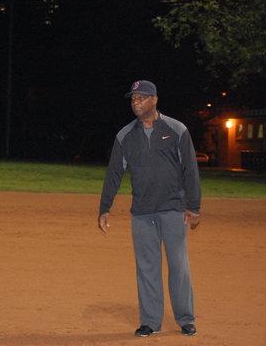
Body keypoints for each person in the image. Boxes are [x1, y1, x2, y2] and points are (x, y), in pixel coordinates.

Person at [98, 80, 201, 338]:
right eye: (133, 99)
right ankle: (150, 322)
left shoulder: (176, 130)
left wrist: (194, 205)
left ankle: (185, 318)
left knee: (179, 265)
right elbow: (114, 173)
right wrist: (105, 207)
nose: (136, 102)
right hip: (142, 212)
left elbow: (190, 169)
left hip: (172, 209)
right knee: (147, 267)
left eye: (141, 98)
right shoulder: (125, 136)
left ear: (154, 100)